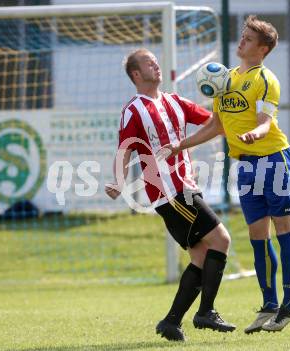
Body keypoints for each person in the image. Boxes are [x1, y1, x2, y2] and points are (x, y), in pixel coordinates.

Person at [159, 16, 290, 333]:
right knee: (257, 240)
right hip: (247, 166)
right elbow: (216, 126)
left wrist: (255, 133)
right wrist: (179, 145)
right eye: (242, 36)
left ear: (262, 49)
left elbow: (266, 120)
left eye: (249, 39)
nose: (242, 42)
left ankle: (289, 306)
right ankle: (269, 306)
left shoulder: (266, 79)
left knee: (283, 231)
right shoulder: (225, 79)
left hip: (274, 159)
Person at [105, 48, 236, 342]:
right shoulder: (134, 109)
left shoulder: (175, 101)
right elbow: (125, 149)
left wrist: (225, 99)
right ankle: (206, 313)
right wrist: (118, 180)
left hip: (186, 187)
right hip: (170, 192)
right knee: (221, 240)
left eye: (155, 60)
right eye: (148, 62)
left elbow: (214, 123)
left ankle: (171, 322)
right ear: (137, 75)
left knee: (202, 255)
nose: (156, 64)